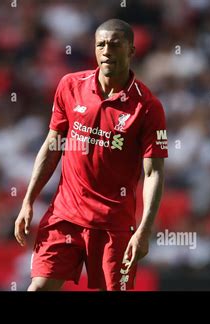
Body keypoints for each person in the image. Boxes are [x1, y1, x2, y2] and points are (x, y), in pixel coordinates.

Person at [14, 18, 168, 291]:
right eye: (101, 45)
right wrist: (29, 200)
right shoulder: (70, 86)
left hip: (112, 224)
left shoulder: (147, 107)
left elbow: (153, 172)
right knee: (38, 288)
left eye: (115, 45)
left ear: (131, 51)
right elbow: (53, 145)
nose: (107, 51)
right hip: (65, 215)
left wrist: (144, 230)